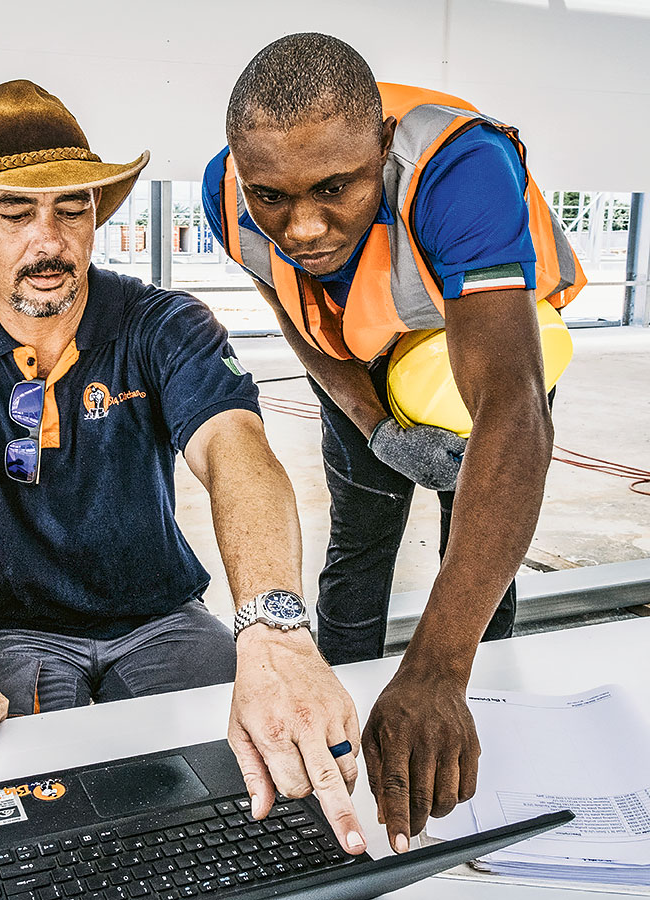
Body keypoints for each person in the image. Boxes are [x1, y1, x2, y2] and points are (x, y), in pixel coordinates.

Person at [0, 79, 370, 855]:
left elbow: (238, 456)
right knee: (27, 821)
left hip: (161, 619)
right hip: (12, 632)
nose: (50, 240)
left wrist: (273, 628)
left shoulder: (165, 324)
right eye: (14, 211)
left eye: (73, 208)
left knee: (259, 792)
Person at [202, 33, 584, 852]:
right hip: (361, 359)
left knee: (475, 539)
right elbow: (294, 310)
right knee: (362, 534)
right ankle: (336, 722)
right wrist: (375, 428)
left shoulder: (459, 167)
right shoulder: (227, 193)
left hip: (484, 350)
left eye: (336, 188)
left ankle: (468, 699)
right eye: (273, 195)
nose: (303, 226)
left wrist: (437, 668)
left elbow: (514, 409)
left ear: (380, 145)